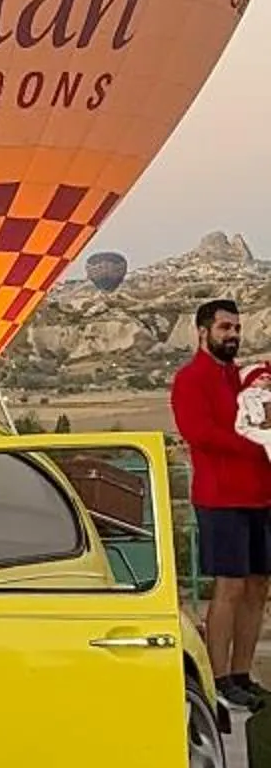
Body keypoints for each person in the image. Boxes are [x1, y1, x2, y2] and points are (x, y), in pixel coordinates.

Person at [170, 297, 271, 705]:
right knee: (228, 586)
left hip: (261, 495)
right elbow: (200, 434)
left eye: (236, 328)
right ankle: (218, 678)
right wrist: (256, 444)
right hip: (220, 498)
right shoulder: (190, 380)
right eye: (224, 328)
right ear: (203, 332)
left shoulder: (245, 378)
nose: (232, 335)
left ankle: (243, 673)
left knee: (258, 585)